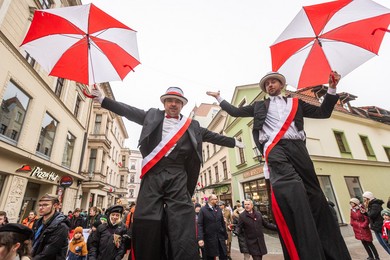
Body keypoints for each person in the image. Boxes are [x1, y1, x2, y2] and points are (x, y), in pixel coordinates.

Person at [207, 71, 351, 259]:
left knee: (314, 192)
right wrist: (219, 98)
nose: (270, 85)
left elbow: (323, 112)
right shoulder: (259, 106)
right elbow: (235, 112)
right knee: (290, 186)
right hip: (274, 147)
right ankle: (300, 233)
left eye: (273, 82)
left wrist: (332, 88)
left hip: (297, 147)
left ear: (281, 85)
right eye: (267, 84)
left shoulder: (296, 103)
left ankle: (326, 244)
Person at [91, 86, 243, 260]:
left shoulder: (191, 125)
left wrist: (233, 141)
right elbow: (128, 111)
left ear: (182, 105)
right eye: (170, 100)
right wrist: (103, 100)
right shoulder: (152, 115)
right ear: (163, 102)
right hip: (153, 173)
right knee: (146, 218)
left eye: (177, 101)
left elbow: (212, 136)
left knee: (183, 219)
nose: (173, 104)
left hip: (178, 174)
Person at [31, 193, 70, 259]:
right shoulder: (38, 222)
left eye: (45, 205)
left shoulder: (61, 226)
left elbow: (49, 252)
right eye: (40, 205)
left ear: (55, 206)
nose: (41, 208)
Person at [197, 194, 228, 260]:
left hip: (220, 237)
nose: (216, 200)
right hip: (209, 239)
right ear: (210, 200)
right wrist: (200, 238)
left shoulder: (218, 209)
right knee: (210, 256)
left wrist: (225, 237)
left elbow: (222, 223)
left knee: (223, 255)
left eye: (216, 199)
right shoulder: (203, 210)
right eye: (215, 199)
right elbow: (200, 225)